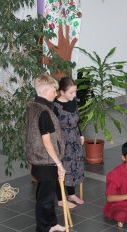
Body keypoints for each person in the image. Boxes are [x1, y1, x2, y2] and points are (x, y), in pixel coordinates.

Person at [26, 74, 66, 232]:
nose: (56, 94)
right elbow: (47, 141)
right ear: (44, 91)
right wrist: (59, 164)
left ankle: (51, 223)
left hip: (38, 159)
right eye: (54, 91)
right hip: (45, 160)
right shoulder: (44, 112)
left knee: (48, 193)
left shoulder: (33, 106)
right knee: (46, 197)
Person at [53, 77, 85, 209]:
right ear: (61, 92)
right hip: (62, 141)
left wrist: (81, 134)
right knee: (62, 169)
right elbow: (52, 128)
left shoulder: (74, 102)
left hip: (75, 139)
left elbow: (77, 120)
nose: (74, 95)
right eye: (71, 92)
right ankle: (61, 199)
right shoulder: (55, 106)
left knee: (74, 166)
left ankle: (71, 194)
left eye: (75, 92)